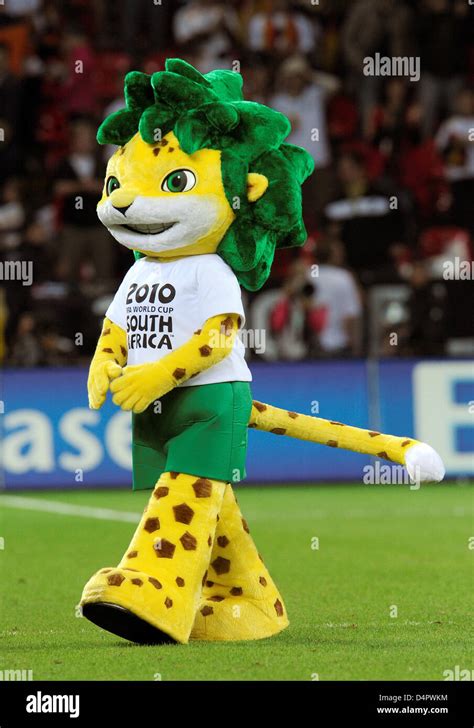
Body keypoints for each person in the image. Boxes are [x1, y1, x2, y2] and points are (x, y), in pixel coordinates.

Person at [54, 118, 113, 282]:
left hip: (98, 225)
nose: (85, 141)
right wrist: (82, 186)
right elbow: (58, 188)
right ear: (73, 140)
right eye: (81, 137)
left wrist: (92, 186)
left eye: (88, 137)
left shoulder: (103, 163)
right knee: (67, 269)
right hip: (72, 226)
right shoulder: (63, 164)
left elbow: (111, 187)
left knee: (103, 268)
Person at [435, 88, 474, 234]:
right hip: (456, 179)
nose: (466, 104)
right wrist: (455, 143)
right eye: (463, 100)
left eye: (469, 100)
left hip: (473, 176)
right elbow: (440, 148)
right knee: (459, 219)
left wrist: (465, 140)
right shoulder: (450, 124)